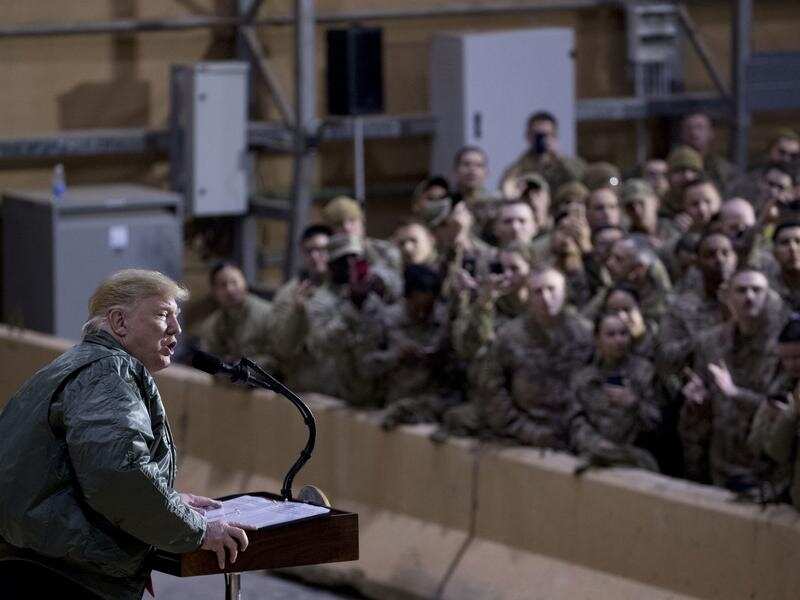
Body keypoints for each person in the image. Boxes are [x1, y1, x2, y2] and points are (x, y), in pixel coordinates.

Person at [0, 269, 249, 599]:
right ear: (119, 322)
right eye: (163, 315)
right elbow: (119, 474)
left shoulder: (76, 364)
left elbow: (82, 472)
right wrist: (196, 530)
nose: (176, 328)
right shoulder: (107, 372)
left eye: (176, 317)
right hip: (60, 576)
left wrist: (168, 503)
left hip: (38, 563)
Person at [679, 269, 789, 495]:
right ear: (728, 297)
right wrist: (697, 398)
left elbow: (781, 408)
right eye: (741, 290)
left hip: (767, 464)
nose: (749, 297)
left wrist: (735, 393)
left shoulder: (784, 346)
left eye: (757, 290)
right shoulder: (710, 342)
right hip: (721, 459)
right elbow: (702, 403)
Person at [481, 267, 593, 448]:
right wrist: (522, 429)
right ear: (527, 297)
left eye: (552, 289)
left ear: (564, 293)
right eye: (538, 292)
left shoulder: (585, 333)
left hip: (576, 429)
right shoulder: (509, 336)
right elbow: (492, 387)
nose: (546, 298)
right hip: (526, 429)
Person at [568, 312, 660, 472]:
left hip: (635, 458)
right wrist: (596, 444)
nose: (619, 340)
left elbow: (656, 421)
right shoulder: (583, 378)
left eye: (623, 334)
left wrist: (633, 403)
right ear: (597, 339)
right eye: (611, 335)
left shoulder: (644, 372)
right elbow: (574, 421)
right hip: (594, 453)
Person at [270, 224, 341, 395]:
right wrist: (298, 311)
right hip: (303, 388)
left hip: (338, 389)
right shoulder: (287, 295)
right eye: (310, 251)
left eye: (323, 250)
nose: (316, 257)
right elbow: (282, 348)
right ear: (302, 253)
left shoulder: (344, 289)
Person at [747, 316, 800, 508]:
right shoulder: (781, 386)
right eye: (787, 358)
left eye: (798, 357)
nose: (793, 364)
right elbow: (758, 446)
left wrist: (789, 416)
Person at [196, 262, 277, 371]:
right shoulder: (212, 325)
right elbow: (209, 360)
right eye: (223, 285)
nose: (230, 289)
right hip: (228, 384)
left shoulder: (267, 314)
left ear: (244, 283)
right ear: (214, 291)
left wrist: (243, 368)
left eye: (234, 282)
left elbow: (278, 358)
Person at [499, 111, 586, 193]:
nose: (542, 140)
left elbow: (581, 179)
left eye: (547, 135)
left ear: (555, 136)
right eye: (537, 135)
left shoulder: (568, 164)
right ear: (527, 136)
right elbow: (506, 189)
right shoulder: (517, 169)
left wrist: (559, 157)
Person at [678, 112, 737, 194]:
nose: (694, 133)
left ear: (711, 133)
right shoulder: (674, 166)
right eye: (689, 128)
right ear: (681, 133)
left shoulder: (722, 168)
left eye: (700, 127)